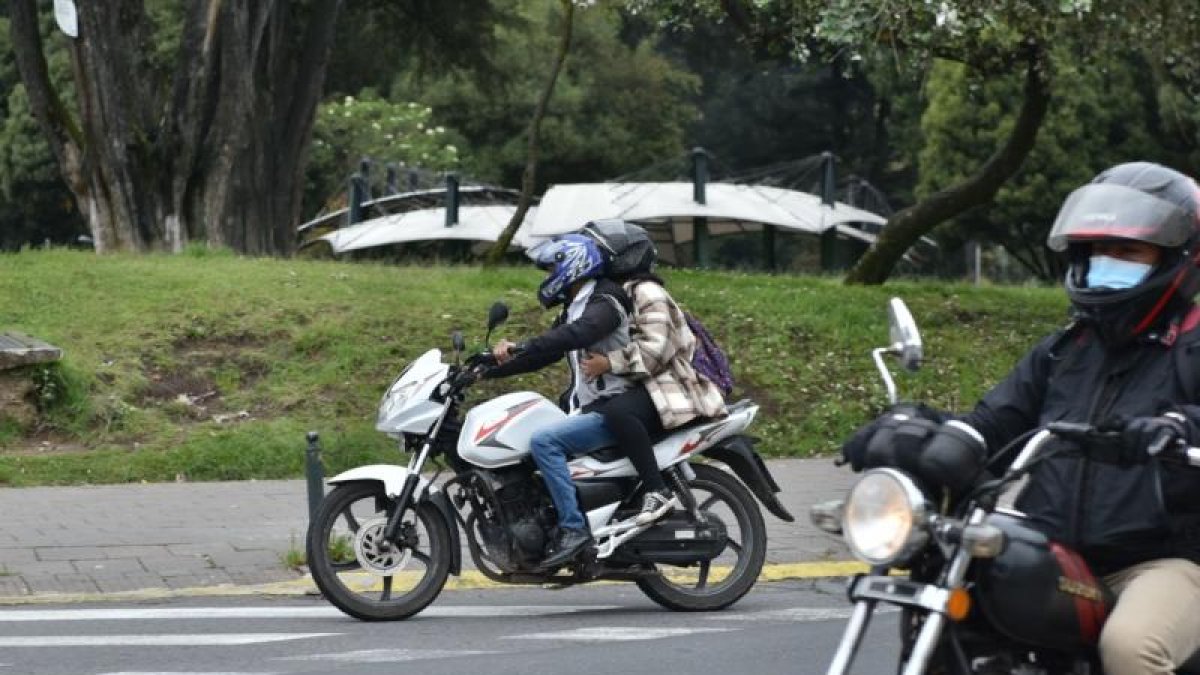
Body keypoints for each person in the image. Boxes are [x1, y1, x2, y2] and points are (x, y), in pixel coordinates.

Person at [843, 161, 1200, 674]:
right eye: (1097, 251)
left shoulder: (1191, 344)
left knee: (1131, 648)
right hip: (1058, 555)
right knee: (956, 617)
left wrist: (1177, 429)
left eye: (1128, 252)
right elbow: (992, 422)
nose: (1107, 263)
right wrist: (918, 431)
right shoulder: (1064, 350)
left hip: (1161, 563)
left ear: (1176, 260)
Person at [487, 233, 635, 570]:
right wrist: (486, 370)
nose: (548, 277)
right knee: (524, 441)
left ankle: (573, 529)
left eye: (552, 267)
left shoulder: (605, 300)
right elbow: (548, 350)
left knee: (544, 441)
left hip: (616, 406)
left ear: (574, 264)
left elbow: (578, 334)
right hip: (590, 406)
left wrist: (523, 345)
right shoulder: (576, 305)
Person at [581, 269, 728, 526]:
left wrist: (609, 363)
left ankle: (656, 490)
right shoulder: (617, 294)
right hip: (655, 385)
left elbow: (655, 351)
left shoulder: (647, 291)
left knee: (620, 413)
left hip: (676, 388)